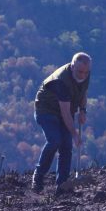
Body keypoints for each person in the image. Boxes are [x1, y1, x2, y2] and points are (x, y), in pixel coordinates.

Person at [31, 52, 91, 194]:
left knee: (66, 146)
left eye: (85, 72)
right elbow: (65, 112)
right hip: (46, 110)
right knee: (55, 140)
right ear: (72, 66)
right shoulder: (61, 81)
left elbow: (83, 92)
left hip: (65, 109)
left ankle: (62, 185)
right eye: (79, 72)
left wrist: (83, 110)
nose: (82, 75)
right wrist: (75, 134)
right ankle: (38, 178)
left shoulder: (86, 73)